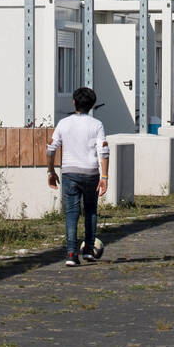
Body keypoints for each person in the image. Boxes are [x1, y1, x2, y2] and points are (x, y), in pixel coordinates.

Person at [47, 87, 109, 267]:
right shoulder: (96, 124)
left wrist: (51, 172)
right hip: (91, 172)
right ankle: (89, 250)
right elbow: (103, 150)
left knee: (71, 213)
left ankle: (71, 253)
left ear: (74, 102)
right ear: (92, 105)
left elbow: (51, 148)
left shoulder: (63, 123)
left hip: (69, 172)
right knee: (90, 211)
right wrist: (104, 176)